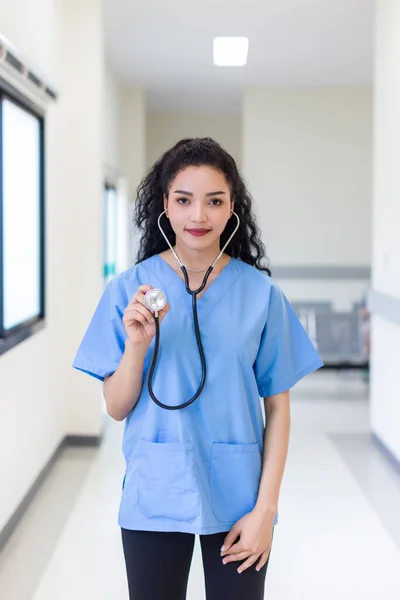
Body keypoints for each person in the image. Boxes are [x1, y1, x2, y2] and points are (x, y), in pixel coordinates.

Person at [73, 137, 324, 600]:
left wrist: (266, 510)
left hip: (239, 498)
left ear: (233, 210)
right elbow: (115, 405)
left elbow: (280, 410)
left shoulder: (260, 295)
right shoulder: (128, 290)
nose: (198, 216)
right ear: (164, 206)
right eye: (184, 200)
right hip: (154, 491)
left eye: (215, 201)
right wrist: (136, 346)